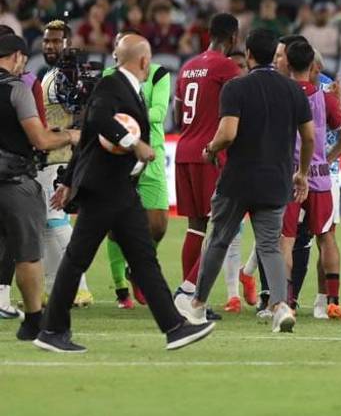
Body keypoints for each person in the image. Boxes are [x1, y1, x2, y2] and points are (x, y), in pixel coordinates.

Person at [37, 35, 214, 352]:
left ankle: (174, 327)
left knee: (141, 259)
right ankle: (52, 330)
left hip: (117, 188)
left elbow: (87, 137)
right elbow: (99, 121)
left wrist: (67, 180)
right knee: (80, 259)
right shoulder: (112, 85)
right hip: (105, 188)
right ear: (144, 61)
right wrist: (135, 143)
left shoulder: (124, 87)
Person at [179, 28, 314, 334]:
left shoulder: (236, 88)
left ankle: (197, 305)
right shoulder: (294, 90)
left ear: (249, 54)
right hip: (276, 180)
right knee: (270, 245)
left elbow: (227, 133)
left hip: (238, 180)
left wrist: (210, 148)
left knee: (218, 239)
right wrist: (302, 173)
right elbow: (308, 137)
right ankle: (280, 306)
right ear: (275, 56)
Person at [0, 33, 78, 341]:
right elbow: (41, 140)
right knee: (27, 254)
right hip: (14, 183)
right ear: (17, 56)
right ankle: (34, 321)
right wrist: (70, 135)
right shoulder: (17, 89)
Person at [172, 14, 248, 308]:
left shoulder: (188, 67)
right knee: (222, 227)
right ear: (233, 37)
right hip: (211, 155)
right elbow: (241, 110)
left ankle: (188, 297)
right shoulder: (226, 68)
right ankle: (188, 291)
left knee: (196, 226)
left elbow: (177, 115)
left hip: (184, 151)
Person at [279, 41, 341, 319]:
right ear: (313, 66)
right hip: (319, 178)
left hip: (288, 177)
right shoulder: (325, 98)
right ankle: (333, 302)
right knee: (326, 237)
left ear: (287, 63)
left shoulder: (279, 95)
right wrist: (327, 159)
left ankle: (287, 302)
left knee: (285, 241)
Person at [101, 31, 173, 309]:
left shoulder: (158, 74)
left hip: (151, 154)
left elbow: (160, 112)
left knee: (158, 224)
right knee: (114, 224)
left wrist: (124, 116)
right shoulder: (108, 76)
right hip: (118, 156)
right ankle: (121, 286)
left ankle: (135, 269)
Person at [36, 22, 92, 306]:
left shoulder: (63, 76)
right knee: (49, 223)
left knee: (55, 221)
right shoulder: (52, 74)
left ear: (68, 43)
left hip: (59, 158)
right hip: (48, 157)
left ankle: (79, 287)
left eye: (57, 41)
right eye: (47, 41)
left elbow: (79, 111)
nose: (50, 45)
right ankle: (52, 287)